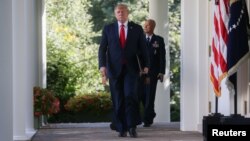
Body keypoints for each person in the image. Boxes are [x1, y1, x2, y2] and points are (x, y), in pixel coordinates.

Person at [98, 3, 150, 138]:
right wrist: (102, 66)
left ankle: (132, 126)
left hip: (131, 70)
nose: (120, 14)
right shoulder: (108, 29)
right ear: (115, 14)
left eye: (123, 11)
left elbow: (144, 49)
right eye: (118, 12)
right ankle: (121, 127)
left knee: (130, 96)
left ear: (128, 13)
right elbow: (102, 49)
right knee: (118, 99)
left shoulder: (137, 29)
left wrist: (146, 65)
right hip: (114, 70)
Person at [139, 19, 166, 127]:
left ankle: (147, 119)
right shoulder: (139, 39)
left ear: (153, 27)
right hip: (140, 72)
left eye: (148, 25)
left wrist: (161, 72)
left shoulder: (159, 40)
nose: (145, 27)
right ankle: (150, 113)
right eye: (144, 25)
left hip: (153, 72)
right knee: (141, 95)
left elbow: (162, 57)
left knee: (150, 96)